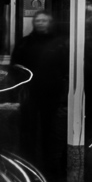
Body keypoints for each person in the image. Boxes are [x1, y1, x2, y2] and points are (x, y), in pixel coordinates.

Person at [10, 10, 68, 172]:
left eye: (44, 21)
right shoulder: (25, 43)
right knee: (28, 128)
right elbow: (15, 66)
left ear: (50, 23)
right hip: (30, 91)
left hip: (51, 92)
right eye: (38, 21)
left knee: (49, 129)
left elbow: (65, 67)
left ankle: (48, 163)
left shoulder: (59, 43)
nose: (41, 23)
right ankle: (27, 162)